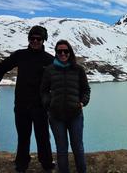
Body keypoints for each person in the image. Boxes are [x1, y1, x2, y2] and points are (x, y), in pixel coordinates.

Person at [0, 25, 55, 172]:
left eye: (38, 39)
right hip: (21, 104)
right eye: (32, 38)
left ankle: (47, 163)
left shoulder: (49, 59)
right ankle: (22, 164)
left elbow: (60, 78)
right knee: (23, 137)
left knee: (43, 136)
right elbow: (3, 66)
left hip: (40, 105)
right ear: (29, 39)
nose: (35, 41)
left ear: (44, 40)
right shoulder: (20, 55)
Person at [40, 39, 91, 173]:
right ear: (56, 53)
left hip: (75, 115)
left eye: (66, 51)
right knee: (62, 150)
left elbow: (86, 89)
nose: (63, 53)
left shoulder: (78, 69)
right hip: (56, 116)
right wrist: (48, 103)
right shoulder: (50, 70)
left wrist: (82, 102)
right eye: (59, 51)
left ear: (70, 52)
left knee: (78, 148)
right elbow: (43, 90)